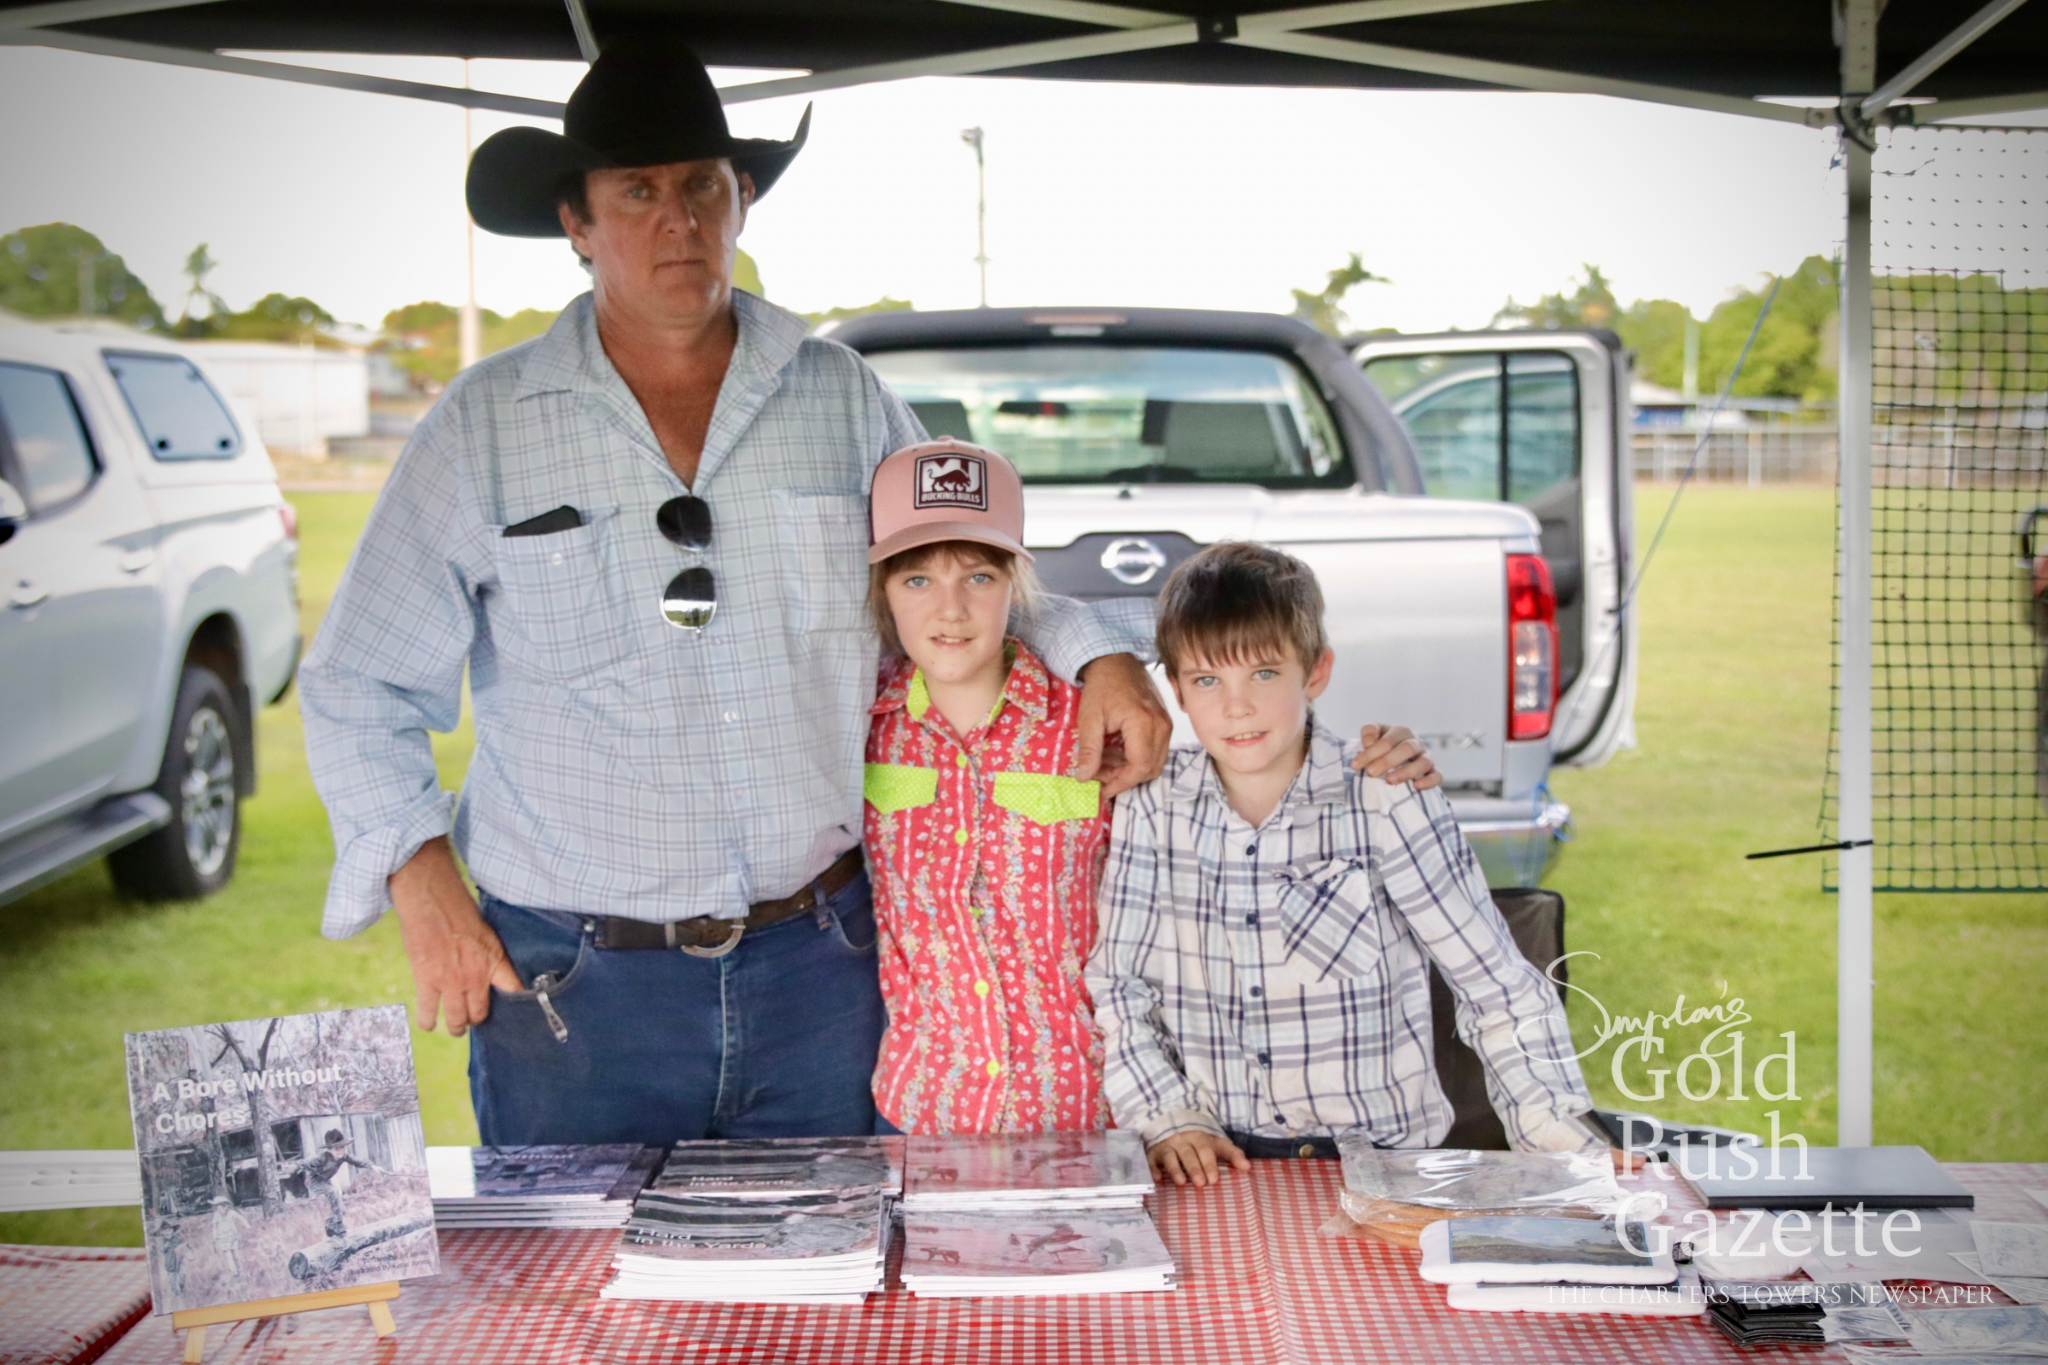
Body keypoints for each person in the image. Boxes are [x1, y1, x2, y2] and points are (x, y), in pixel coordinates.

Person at [302, 43, 1439, 1147]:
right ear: (576, 220)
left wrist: (1098, 657)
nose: (677, 221)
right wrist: (421, 880)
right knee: (586, 1314)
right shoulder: (481, 426)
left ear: (741, 196)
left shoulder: (839, 397)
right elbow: (358, 680)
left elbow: (963, 561)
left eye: (702, 185)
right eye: (637, 190)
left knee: (838, 1302)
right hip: (577, 982)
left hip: (825, 968)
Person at [1087, 542, 1600, 1187]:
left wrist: (1556, 1138)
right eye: (1208, 680)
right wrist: (1165, 1115)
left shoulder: (1384, 792)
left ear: (1316, 672)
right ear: (1178, 693)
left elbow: (1496, 986)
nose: (1236, 707)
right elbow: (1117, 984)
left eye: (1265, 674)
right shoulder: (1151, 803)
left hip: (1382, 1161)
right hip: (1217, 1158)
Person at [861, 439, 1112, 1136]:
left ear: (1016, 584)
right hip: (924, 1107)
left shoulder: (1088, 723)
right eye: (916, 580)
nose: (951, 609)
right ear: (882, 589)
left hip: (1084, 1109)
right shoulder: (862, 728)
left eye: (977, 577)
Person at [292, 1129, 373, 1240]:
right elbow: (306, 1163)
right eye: (337, 1149)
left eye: (342, 1148)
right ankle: (339, 1225)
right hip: (314, 1182)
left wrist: (372, 1166)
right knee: (333, 1191)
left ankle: (330, 1223)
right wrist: (295, 1166)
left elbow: (357, 1161)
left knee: (342, 1210)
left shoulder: (344, 1156)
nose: (340, 1151)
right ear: (330, 1150)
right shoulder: (322, 1158)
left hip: (326, 1181)